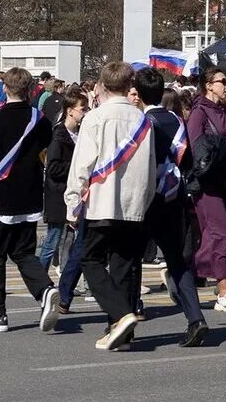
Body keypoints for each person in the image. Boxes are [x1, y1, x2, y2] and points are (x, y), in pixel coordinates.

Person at [65, 62, 157, 351]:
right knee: (123, 265)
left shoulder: (95, 118)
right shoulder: (144, 120)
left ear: (102, 86)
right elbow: (151, 168)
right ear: (129, 85)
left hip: (101, 203)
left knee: (91, 260)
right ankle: (119, 329)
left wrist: (72, 202)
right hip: (134, 204)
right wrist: (146, 199)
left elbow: (82, 164)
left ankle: (120, 315)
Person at [0, 67, 61, 335]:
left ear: (5, 88)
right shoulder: (39, 121)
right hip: (30, 196)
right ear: (30, 90)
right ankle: (45, 289)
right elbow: (45, 150)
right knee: (23, 253)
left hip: (1, 199)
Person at [136, 67, 209, 347]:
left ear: (139, 94)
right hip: (175, 196)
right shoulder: (177, 121)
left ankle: (128, 315)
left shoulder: (143, 122)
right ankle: (195, 318)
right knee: (177, 261)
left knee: (132, 259)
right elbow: (187, 161)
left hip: (147, 198)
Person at [187, 67, 226, 312]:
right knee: (219, 233)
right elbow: (199, 150)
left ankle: (181, 273)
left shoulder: (224, 111)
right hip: (207, 183)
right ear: (208, 85)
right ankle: (223, 289)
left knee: (215, 236)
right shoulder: (199, 112)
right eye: (221, 81)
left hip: (225, 181)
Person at [41, 89, 87, 276]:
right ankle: (39, 278)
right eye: (82, 109)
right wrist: (76, 167)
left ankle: (68, 279)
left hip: (73, 194)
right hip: (58, 195)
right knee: (53, 240)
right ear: (70, 110)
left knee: (69, 241)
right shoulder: (59, 135)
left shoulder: (80, 133)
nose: (84, 112)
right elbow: (53, 167)